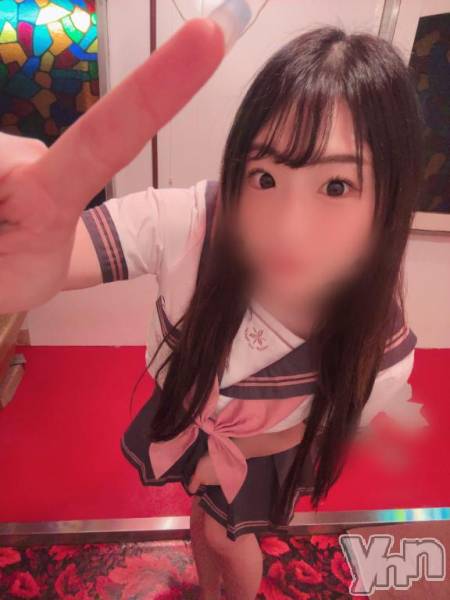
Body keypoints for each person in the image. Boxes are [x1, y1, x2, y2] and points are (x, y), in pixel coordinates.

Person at [0, 21, 426, 600]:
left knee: (230, 536)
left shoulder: (380, 344)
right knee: (201, 519)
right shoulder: (194, 223)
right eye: (265, 177)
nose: (287, 228)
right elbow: (73, 246)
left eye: (336, 187)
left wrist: (237, 454)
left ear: (390, 194)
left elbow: (323, 422)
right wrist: (20, 243)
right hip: (196, 423)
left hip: (266, 447)